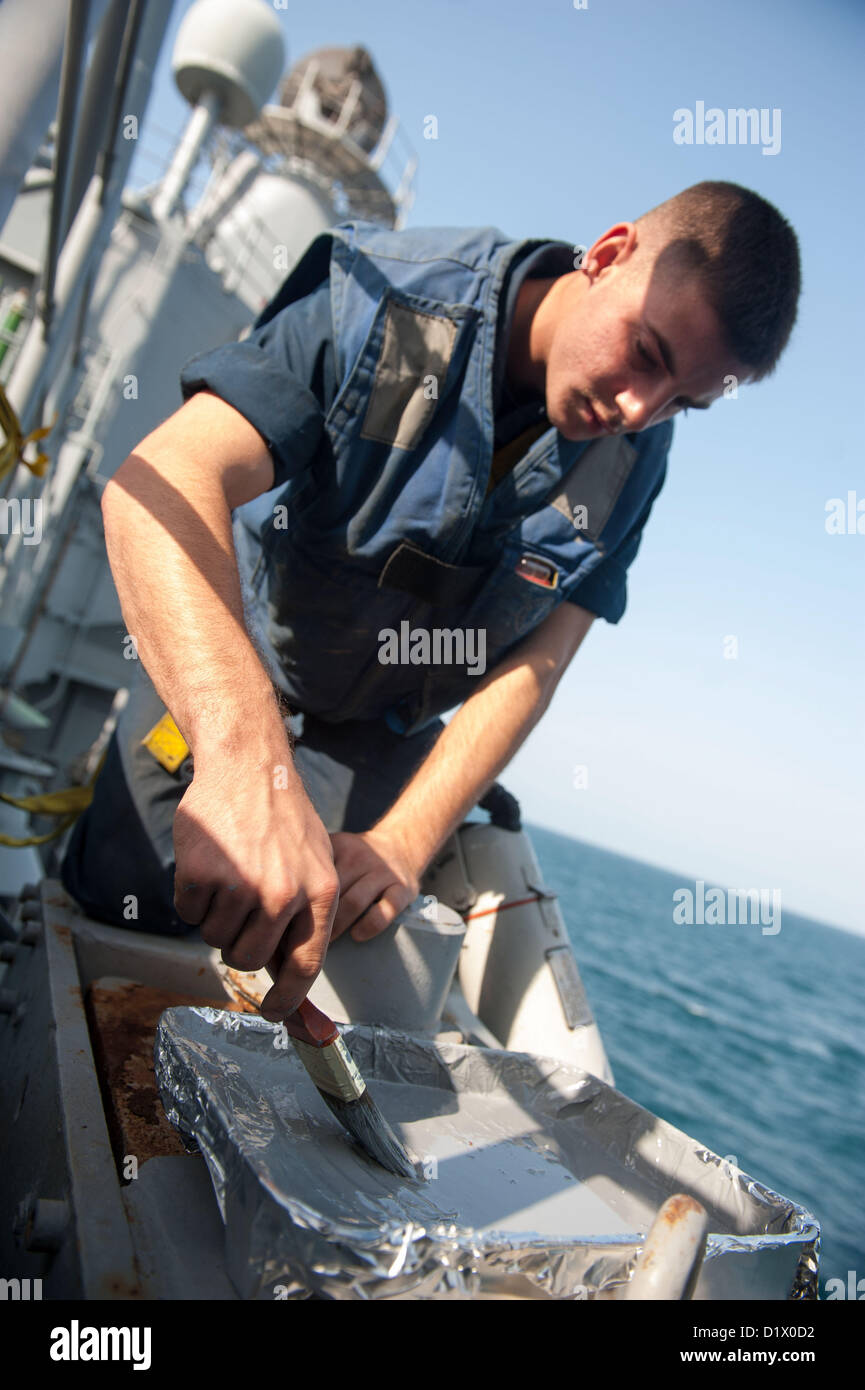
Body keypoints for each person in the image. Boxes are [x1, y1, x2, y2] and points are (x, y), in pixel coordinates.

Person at [60, 179, 800, 1023]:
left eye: (682, 403)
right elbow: (162, 482)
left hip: (383, 737)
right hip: (243, 678)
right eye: (647, 353)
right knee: (116, 894)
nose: (638, 411)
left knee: (346, 955)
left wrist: (406, 843)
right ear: (605, 254)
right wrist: (242, 762)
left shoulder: (635, 459)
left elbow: (537, 665)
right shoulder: (381, 296)